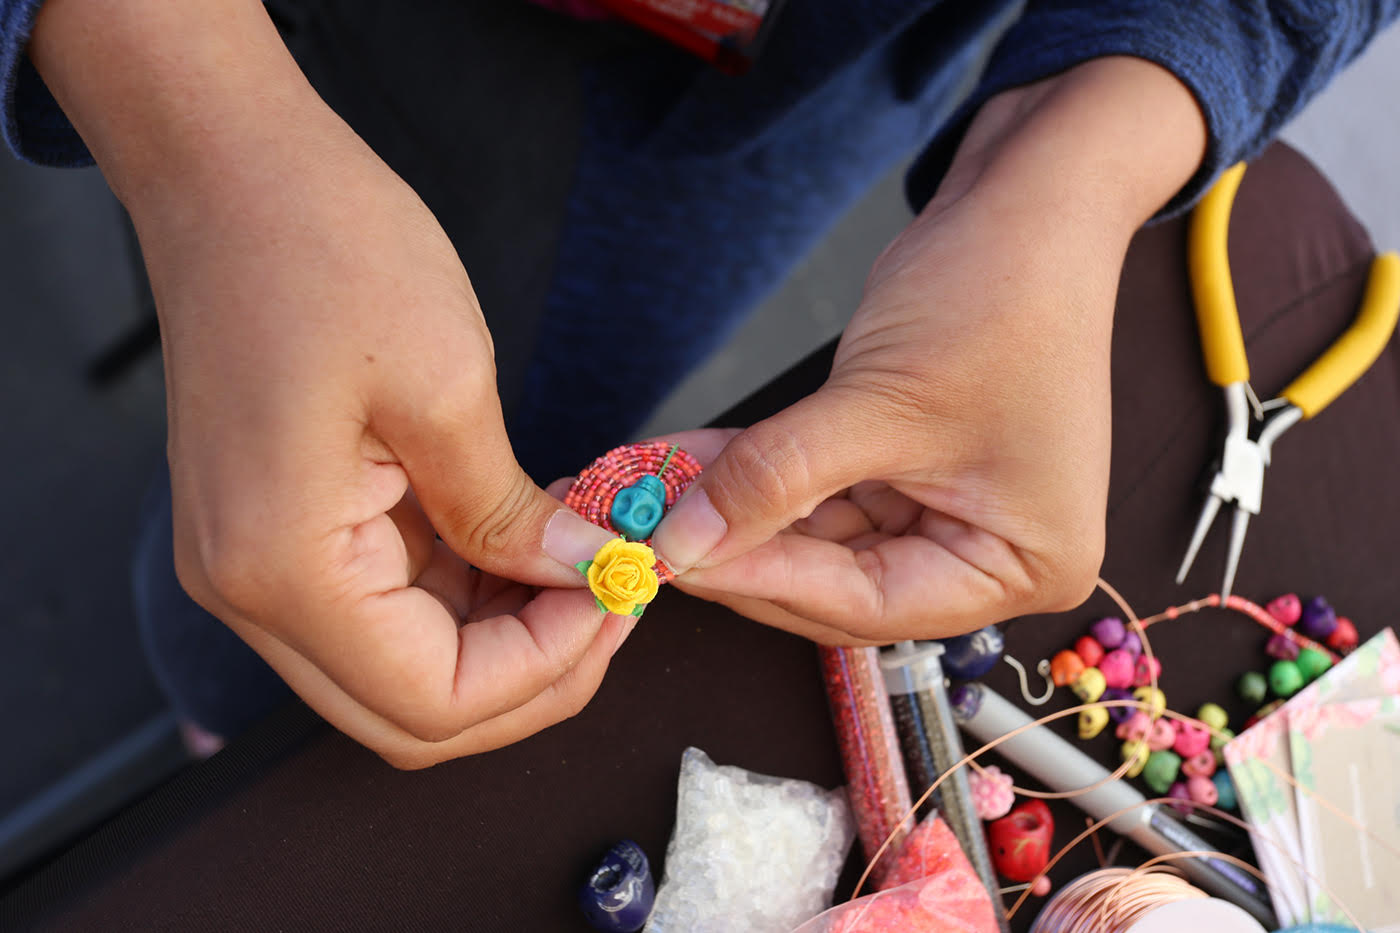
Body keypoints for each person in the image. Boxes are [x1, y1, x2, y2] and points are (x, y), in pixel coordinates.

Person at [2, 0, 1393, 769]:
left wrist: (1066, 169)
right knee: (263, 601)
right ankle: (223, 726)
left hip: (795, 74)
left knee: (426, 508)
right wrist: (191, 113)